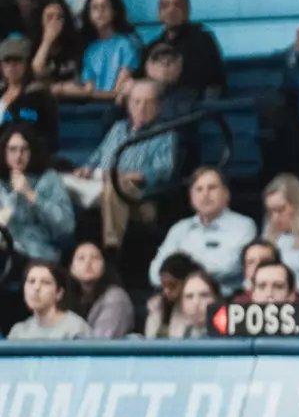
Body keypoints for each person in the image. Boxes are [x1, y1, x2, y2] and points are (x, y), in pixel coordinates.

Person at [70, 79, 174, 253]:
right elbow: (97, 156)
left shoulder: (164, 133)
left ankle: (112, 248)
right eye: (136, 102)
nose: (141, 107)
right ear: (128, 104)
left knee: (115, 183)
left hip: (139, 199)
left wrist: (126, 176)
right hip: (98, 186)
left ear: (158, 107)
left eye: (148, 102)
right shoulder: (118, 128)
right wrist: (86, 168)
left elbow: (163, 170)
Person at [153, 166, 259, 291]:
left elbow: (228, 267)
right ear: (191, 197)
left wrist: (180, 271)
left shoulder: (244, 226)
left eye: (212, 188)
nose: (205, 194)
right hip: (182, 298)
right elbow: (155, 273)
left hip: (225, 298)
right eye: (199, 189)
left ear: (226, 194)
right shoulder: (179, 229)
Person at [141, 0, 227, 100]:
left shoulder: (204, 40)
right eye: (165, 5)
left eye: (177, 5)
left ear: (187, 10)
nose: (171, 10)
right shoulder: (152, 47)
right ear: (159, 13)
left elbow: (214, 83)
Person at [0, 124, 70, 262]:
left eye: (24, 149)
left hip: (38, 254)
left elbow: (66, 226)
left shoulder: (50, 179)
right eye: (12, 149)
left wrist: (30, 194)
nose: (18, 156)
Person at [73, 0, 141, 102]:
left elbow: (117, 92)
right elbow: (89, 88)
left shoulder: (127, 45)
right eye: (95, 7)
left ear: (114, 11)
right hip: (94, 105)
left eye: (104, 6)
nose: (100, 11)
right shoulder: (90, 51)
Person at [65, 240, 134, 338]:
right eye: (81, 258)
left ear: (104, 267)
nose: (88, 262)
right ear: (71, 268)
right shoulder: (66, 296)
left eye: (95, 258)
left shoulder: (115, 298)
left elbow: (102, 343)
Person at [9, 259, 90, 340]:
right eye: (31, 281)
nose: (36, 287)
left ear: (59, 293)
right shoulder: (18, 332)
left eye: (45, 282)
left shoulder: (76, 329)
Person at [0, 34, 55, 150]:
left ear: (26, 63)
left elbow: (50, 135)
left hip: (32, 154)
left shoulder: (39, 96)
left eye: (17, 60)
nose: (11, 66)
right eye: (7, 61)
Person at [32, 0, 81, 96]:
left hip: (73, 98)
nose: (54, 22)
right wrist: (47, 41)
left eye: (59, 17)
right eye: (49, 17)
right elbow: (37, 71)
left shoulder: (74, 45)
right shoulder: (32, 46)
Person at [145, 252, 203, 339]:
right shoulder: (157, 307)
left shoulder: (199, 307)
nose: (166, 291)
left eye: (172, 285)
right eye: (163, 285)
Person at [174, 268, 221, 338]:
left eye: (204, 295)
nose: (196, 303)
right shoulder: (176, 336)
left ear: (217, 298)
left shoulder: (233, 338)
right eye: (189, 296)